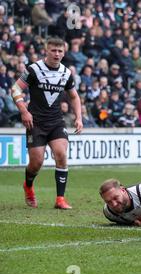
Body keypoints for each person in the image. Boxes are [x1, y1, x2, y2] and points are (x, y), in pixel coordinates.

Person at [12, 37, 83, 209]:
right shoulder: (34, 69)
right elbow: (16, 88)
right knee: (36, 162)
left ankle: (60, 199)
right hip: (35, 122)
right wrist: (24, 111)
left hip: (56, 122)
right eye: (53, 50)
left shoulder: (66, 73)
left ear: (64, 52)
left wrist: (79, 117)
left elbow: (74, 96)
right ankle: (28, 186)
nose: (57, 54)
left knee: (61, 154)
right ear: (46, 50)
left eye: (60, 51)